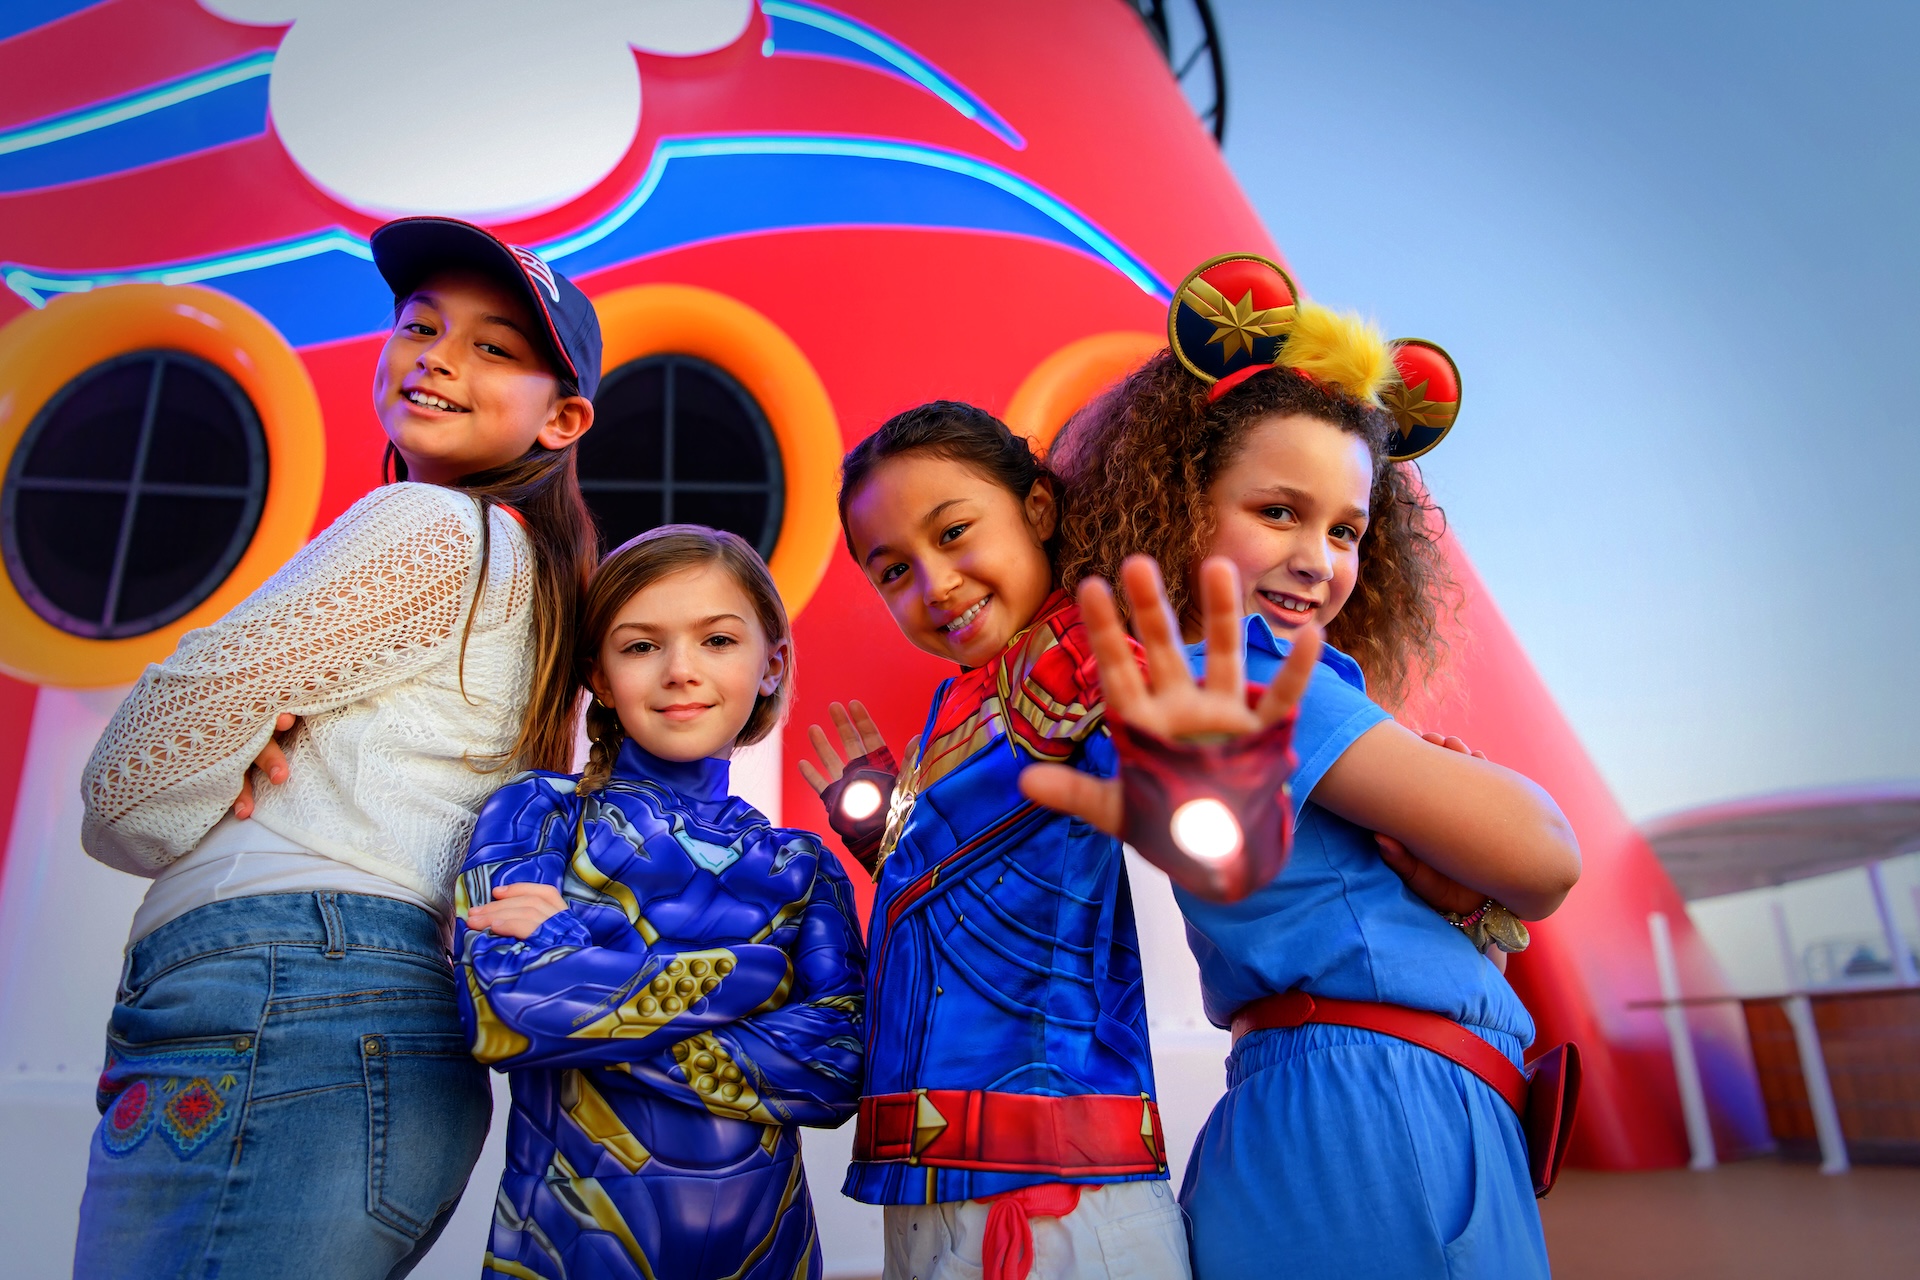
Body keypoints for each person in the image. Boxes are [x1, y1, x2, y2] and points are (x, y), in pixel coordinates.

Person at [1033, 252, 1583, 1278]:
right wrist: (1469, 807)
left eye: (1347, 529)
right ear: (1182, 503)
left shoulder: (1251, 688)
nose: (1318, 557)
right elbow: (1546, 855)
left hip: (1362, 1099)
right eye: (1277, 511)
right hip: (1376, 1116)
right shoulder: (1252, 671)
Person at [74, 216, 601, 1279]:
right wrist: (231, 739)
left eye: (496, 347)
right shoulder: (533, 582)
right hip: (361, 1028)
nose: (439, 357)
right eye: (421, 325)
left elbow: (125, 790)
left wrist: (225, 750)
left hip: (284, 1000)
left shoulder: (433, 526)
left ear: (564, 419)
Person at [800, 402, 1315, 1280]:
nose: (936, 582)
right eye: (893, 571)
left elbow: (1196, 825)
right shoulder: (954, 706)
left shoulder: (1078, 655)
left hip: (1054, 1187)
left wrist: (1205, 783)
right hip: (931, 1180)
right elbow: (967, 902)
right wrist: (877, 821)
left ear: (1038, 509)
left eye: (955, 531)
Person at [454, 526, 864, 1280]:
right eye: (641, 646)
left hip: (769, 1256)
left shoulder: (805, 867)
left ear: (771, 664)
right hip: (562, 1253)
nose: (681, 671)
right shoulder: (536, 815)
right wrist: (748, 980)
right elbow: (501, 1011)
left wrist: (587, 970)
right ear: (600, 679)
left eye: (716, 641)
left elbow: (836, 1067)